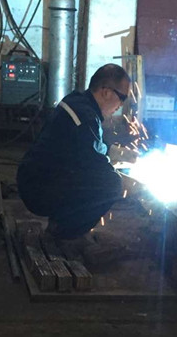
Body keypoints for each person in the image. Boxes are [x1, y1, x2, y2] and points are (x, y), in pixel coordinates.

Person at [17, 63, 131, 241]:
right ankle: (65, 234)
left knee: (103, 178)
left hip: (35, 179)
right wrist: (130, 184)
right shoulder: (85, 117)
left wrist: (117, 153)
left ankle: (61, 225)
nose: (121, 104)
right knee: (112, 184)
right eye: (122, 97)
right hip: (38, 190)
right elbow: (96, 165)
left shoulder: (78, 101)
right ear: (106, 92)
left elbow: (90, 146)